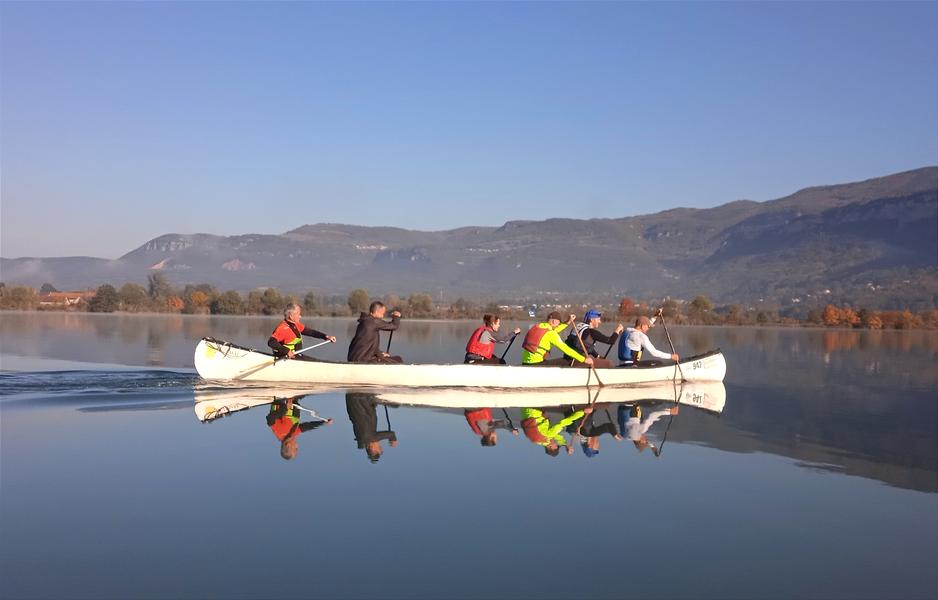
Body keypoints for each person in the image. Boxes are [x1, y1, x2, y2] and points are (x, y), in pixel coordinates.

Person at [266, 396, 333, 460]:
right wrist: (322, 423)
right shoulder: (293, 434)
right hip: (293, 399)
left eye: (295, 449)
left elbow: (270, 418)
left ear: (288, 446)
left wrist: (285, 408)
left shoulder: (279, 431)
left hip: (282, 399)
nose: (297, 446)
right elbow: (307, 427)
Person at [520, 312, 595, 367]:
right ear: (553, 321)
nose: (558, 326)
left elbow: (554, 330)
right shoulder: (551, 334)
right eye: (558, 324)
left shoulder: (537, 326)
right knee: (566, 360)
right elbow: (566, 349)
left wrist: (567, 322)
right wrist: (583, 359)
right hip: (537, 364)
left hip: (525, 362)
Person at [268, 303, 337, 360]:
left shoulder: (296, 325)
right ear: (291, 316)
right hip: (286, 358)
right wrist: (287, 351)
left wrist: (326, 336)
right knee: (316, 362)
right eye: (298, 314)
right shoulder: (283, 328)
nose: (300, 316)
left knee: (317, 361)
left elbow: (311, 332)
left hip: (297, 357)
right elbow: (271, 342)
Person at [346, 392, 398, 462]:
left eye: (379, 447)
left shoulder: (369, 438)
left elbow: (391, 434)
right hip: (351, 398)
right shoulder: (360, 437)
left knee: (396, 405)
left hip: (363, 398)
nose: (379, 444)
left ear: (373, 448)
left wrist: (393, 440)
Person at [520, 406, 590, 456]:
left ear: (550, 447)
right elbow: (557, 436)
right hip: (525, 410)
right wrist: (565, 444)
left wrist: (582, 412)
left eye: (556, 445)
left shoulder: (548, 436)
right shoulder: (540, 441)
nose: (556, 443)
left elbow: (563, 423)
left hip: (535, 410)